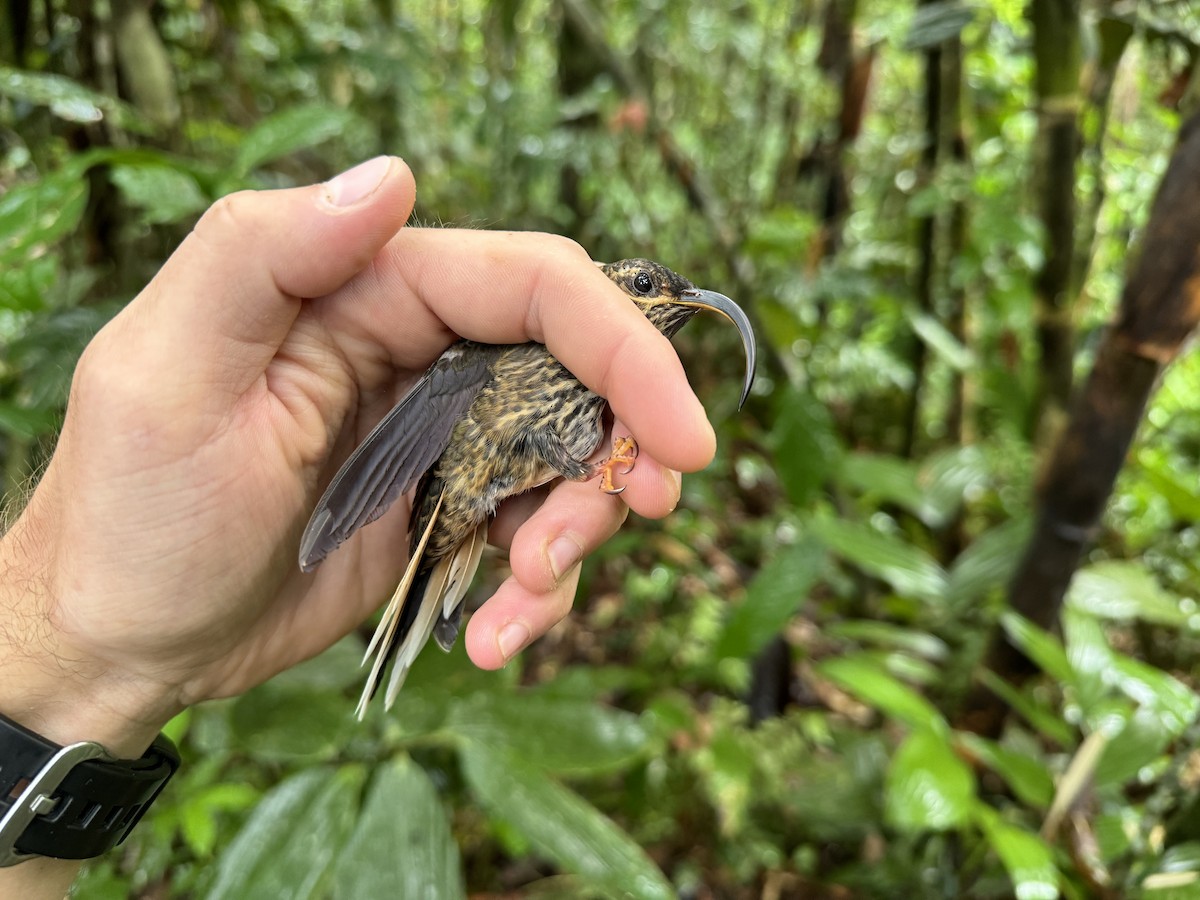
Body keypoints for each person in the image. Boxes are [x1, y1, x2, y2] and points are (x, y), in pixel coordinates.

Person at [0, 156, 718, 896]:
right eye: (642, 287)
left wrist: (88, 678)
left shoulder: (592, 381)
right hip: (466, 473)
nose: (657, 302)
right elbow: (483, 428)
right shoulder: (516, 345)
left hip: (482, 482)